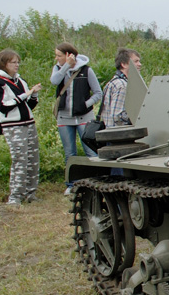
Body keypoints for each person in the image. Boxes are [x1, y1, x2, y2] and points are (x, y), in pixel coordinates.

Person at [0, 49, 42, 205]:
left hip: (28, 124)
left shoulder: (20, 81)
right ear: (4, 64)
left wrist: (33, 95)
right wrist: (25, 95)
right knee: (20, 159)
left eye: (18, 62)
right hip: (13, 126)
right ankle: (15, 196)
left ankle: (30, 193)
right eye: (13, 62)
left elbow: (27, 106)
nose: (17, 65)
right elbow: (3, 106)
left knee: (33, 159)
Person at [50, 42, 101, 194]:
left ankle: (97, 182)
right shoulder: (58, 69)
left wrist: (86, 104)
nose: (56, 58)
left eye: (59, 55)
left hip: (84, 117)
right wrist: (66, 66)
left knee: (90, 151)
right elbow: (54, 81)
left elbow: (98, 93)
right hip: (64, 118)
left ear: (68, 55)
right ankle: (71, 184)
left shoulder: (86, 70)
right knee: (69, 153)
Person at [99, 47, 141, 176]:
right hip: (118, 139)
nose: (139, 64)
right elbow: (118, 116)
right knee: (120, 176)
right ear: (124, 64)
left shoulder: (114, 82)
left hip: (113, 137)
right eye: (136, 61)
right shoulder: (122, 86)